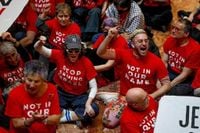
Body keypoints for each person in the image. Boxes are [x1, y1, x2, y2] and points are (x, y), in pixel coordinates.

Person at [96, 28, 170, 128]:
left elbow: (167, 84)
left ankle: (111, 97)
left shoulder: (156, 61)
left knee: (152, 126)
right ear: (133, 44)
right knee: (108, 122)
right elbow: (100, 53)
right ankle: (112, 97)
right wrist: (109, 37)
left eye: (146, 41)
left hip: (146, 99)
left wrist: (152, 96)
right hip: (125, 98)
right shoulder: (124, 54)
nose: (144, 44)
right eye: (140, 41)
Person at [34, 34, 99, 128]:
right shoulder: (59, 55)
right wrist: (40, 42)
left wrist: (88, 104)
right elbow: (38, 48)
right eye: (70, 50)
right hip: (61, 92)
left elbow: (93, 87)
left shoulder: (86, 62)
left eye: (77, 50)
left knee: (94, 109)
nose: (73, 53)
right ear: (65, 50)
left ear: (81, 50)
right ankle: (76, 117)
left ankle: (63, 116)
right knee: (42, 104)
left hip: (79, 96)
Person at [5, 60, 61, 133]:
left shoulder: (52, 89)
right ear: (24, 77)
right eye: (29, 80)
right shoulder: (14, 94)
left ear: (43, 80)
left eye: (36, 81)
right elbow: (16, 123)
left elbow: (56, 119)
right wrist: (32, 120)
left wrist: (42, 119)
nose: (32, 85)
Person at [162, 19, 199, 96]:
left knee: (172, 92)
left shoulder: (195, 49)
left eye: (177, 29)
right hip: (169, 71)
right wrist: (162, 77)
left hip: (185, 79)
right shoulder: (170, 40)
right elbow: (164, 61)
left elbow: (185, 75)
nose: (173, 31)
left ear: (186, 34)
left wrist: (168, 86)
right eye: (173, 27)